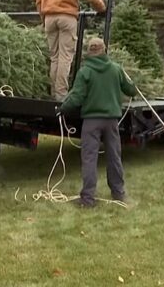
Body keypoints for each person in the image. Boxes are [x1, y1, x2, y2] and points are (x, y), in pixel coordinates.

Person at [59, 38, 137, 207]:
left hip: (91, 122)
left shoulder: (85, 71)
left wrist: (63, 108)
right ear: (104, 50)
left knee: (89, 158)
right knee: (114, 157)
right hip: (111, 121)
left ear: (89, 52)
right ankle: (119, 193)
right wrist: (130, 81)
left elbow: (77, 97)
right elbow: (131, 90)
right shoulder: (116, 69)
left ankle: (87, 198)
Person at [35, 0, 107, 101]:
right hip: (67, 18)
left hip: (49, 18)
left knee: (54, 57)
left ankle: (53, 94)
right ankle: (61, 96)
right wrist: (101, 8)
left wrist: (43, 16)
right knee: (65, 57)